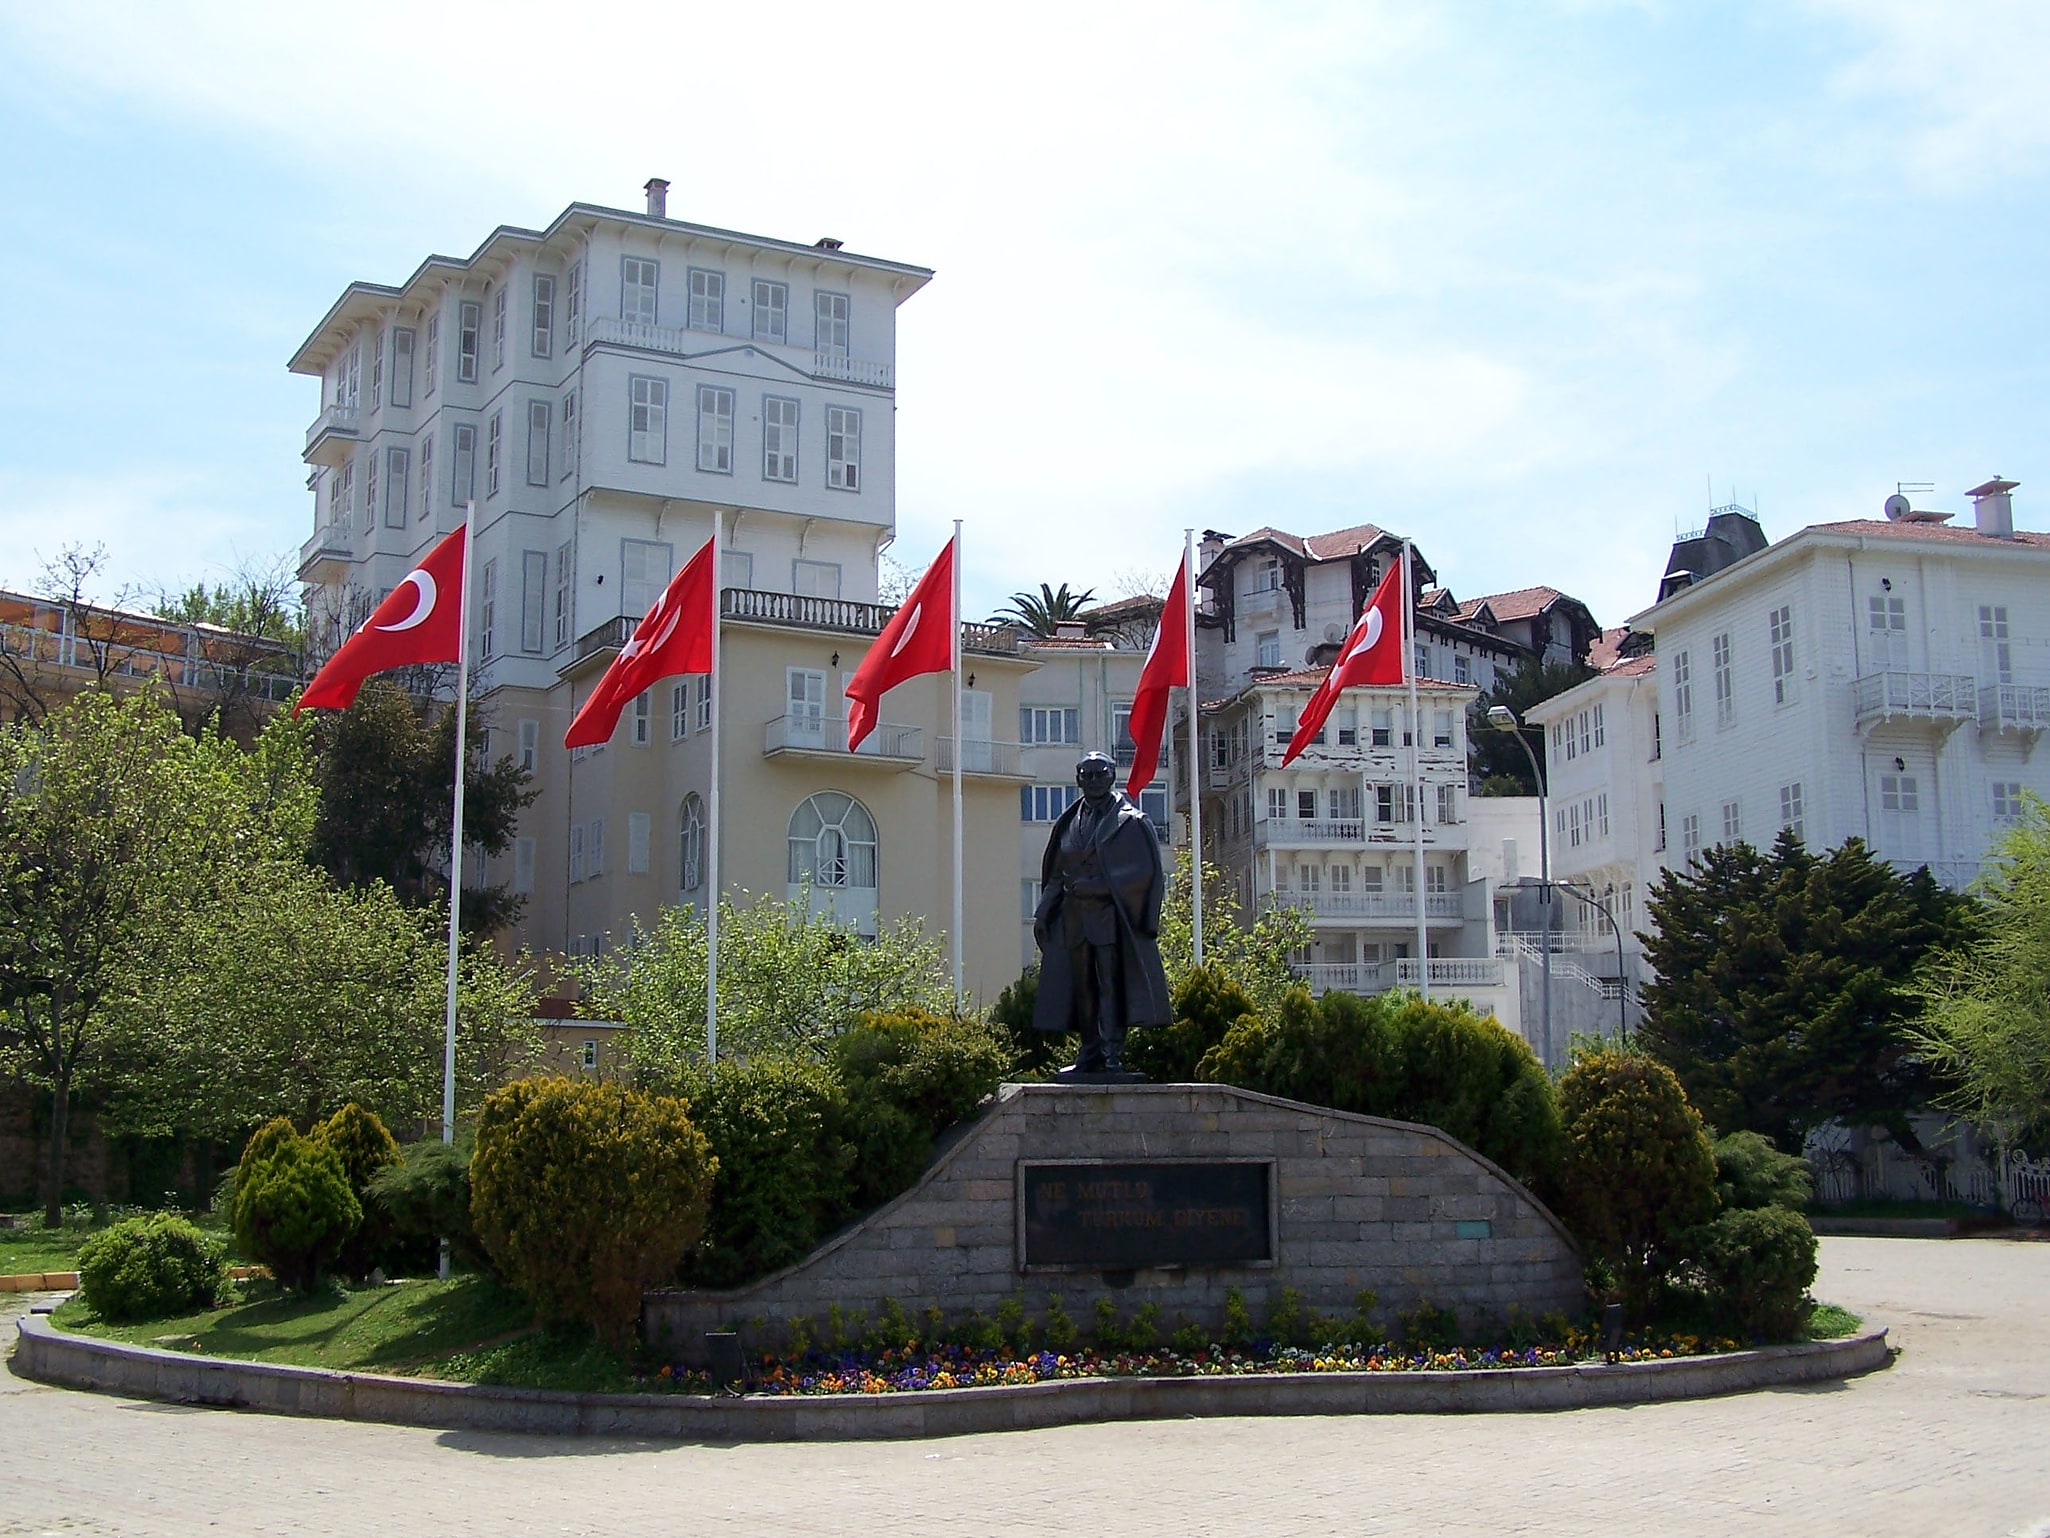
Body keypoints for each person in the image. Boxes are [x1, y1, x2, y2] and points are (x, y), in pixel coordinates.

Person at [1031, 752, 1172, 1074]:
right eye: (1087, 775)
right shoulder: (1068, 820)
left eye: (1100, 774)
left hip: (1112, 920)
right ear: (1078, 778)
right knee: (1083, 989)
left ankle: (1112, 1056)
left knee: (1110, 986)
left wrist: (1100, 887)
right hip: (1074, 921)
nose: (1094, 781)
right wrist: (1043, 913)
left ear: (1111, 776)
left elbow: (1143, 874)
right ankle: (1089, 1052)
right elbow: (1057, 873)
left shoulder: (1131, 821)